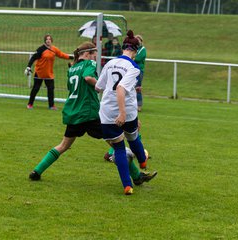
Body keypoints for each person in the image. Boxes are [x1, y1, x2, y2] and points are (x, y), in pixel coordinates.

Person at [29, 42, 156, 189]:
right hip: (90, 114)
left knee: (63, 145)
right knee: (117, 144)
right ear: (87, 53)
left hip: (73, 112)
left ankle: (37, 170)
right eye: (95, 53)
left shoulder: (72, 68)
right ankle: (136, 175)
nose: (96, 56)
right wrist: (107, 88)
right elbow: (88, 78)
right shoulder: (89, 63)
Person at [95, 30, 151, 195]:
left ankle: (127, 186)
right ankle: (142, 161)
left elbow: (99, 87)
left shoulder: (110, 63)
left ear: (124, 48)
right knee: (133, 137)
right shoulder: (133, 67)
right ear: (135, 51)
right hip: (125, 110)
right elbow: (120, 88)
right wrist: (122, 113)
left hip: (106, 111)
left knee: (119, 148)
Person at [25, 34, 70, 110]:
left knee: (51, 89)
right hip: (39, 72)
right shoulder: (41, 49)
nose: (48, 40)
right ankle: (30, 104)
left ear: (51, 40)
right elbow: (33, 58)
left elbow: (61, 55)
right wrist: (28, 66)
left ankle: (51, 106)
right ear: (45, 41)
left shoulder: (54, 49)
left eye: (49, 39)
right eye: (47, 39)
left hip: (49, 74)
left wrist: (72, 57)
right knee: (35, 89)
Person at [134, 34, 146, 112]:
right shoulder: (134, 49)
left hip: (139, 70)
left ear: (141, 41)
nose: (137, 41)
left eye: (139, 40)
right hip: (132, 70)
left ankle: (139, 106)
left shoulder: (143, 49)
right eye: (136, 40)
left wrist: (133, 57)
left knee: (138, 88)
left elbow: (138, 59)